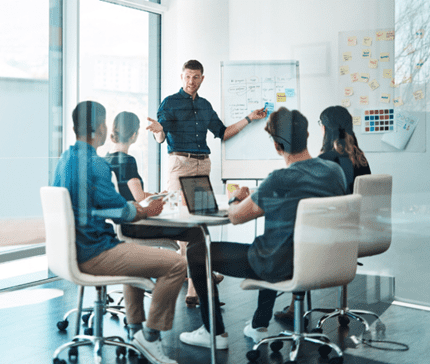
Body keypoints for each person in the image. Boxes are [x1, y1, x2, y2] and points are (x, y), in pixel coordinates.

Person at [179, 107, 347, 350]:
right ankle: (259, 326)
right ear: (307, 135)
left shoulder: (279, 179)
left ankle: (213, 331)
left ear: (277, 146)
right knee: (272, 241)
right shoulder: (334, 172)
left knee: (196, 252)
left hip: (281, 265)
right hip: (322, 260)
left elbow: (236, 218)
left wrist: (237, 198)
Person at [53, 101, 186, 364]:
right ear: (102, 129)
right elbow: (123, 213)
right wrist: (145, 210)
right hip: (94, 252)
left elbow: (93, 208)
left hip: (70, 251)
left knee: (134, 254)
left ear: (73, 127)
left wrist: (129, 208)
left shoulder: (65, 159)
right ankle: (150, 337)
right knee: (177, 264)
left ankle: (135, 331)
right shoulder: (95, 164)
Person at [146, 59, 266, 305]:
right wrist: (159, 129)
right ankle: (193, 287)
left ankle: (200, 271)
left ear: (202, 78)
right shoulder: (170, 102)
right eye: (188, 76)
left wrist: (249, 118)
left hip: (203, 163)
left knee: (201, 220)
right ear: (181, 77)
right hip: (180, 164)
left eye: (196, 77)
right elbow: (161, 136)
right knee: (185, 222)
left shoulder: (204, 105)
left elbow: (222, 132)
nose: (192, 81)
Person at [104, 111, 225, 306]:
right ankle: (203, 286)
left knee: (192, 234)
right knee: (196, 232)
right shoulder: (127, 161)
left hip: (117, 228)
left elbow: (129, 195)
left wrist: (156, 194)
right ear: (134, 135)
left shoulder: (105, 160)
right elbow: (139, 197)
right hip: (136, 227)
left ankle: (203, 275)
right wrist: (163, 196)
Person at [274, 105, 371, 324]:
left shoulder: (326, 160)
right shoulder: (360, 158)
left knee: (293, 237)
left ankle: (293, 308)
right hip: (359, 230)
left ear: (325, 128)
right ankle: (295, 304)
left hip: (335, 231)